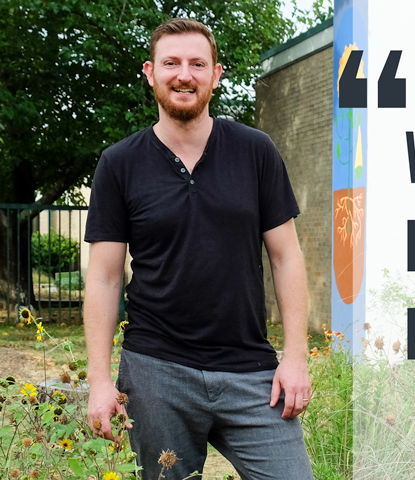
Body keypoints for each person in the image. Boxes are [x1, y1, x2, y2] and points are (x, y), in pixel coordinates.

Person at [83, 18, 313, 479]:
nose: (183, 74)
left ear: (216, 74)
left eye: (196, 63)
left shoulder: (256, 151)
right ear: (151, 72)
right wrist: (100, 381)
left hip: (251, 372)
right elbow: (105, 276)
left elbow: (287, 257)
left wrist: (295, 357)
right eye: (171, 63)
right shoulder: (119, 163)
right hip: (155, 372)